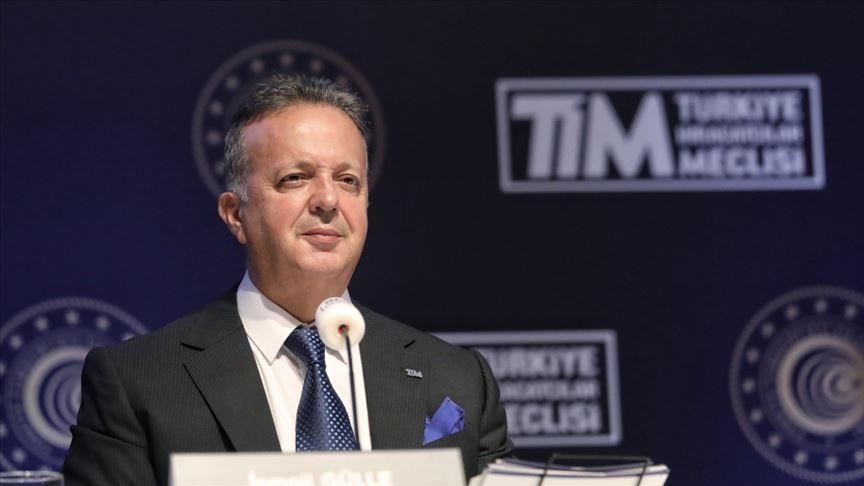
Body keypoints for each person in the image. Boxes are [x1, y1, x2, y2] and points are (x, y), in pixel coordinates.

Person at [62, 75, 512, 485]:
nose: (328, 200)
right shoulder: (139, 382)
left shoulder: (457, 379)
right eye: (295, 178)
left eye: (348, 180)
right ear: (235, 214)